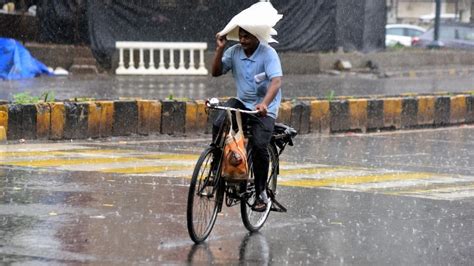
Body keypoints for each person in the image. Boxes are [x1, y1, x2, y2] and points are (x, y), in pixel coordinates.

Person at [211, 3, 283, 212]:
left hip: (264, 108)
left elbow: (276, 82)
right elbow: (215, 72)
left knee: (260, 146)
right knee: (219, 120)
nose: (242, 40)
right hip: (242, 103)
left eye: (247, 36)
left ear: (257, 37)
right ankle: (216, 165)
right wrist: (220, 49)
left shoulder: (268, 54)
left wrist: (265, 104)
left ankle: (261, 191)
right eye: (240, 36)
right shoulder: (234, 52)